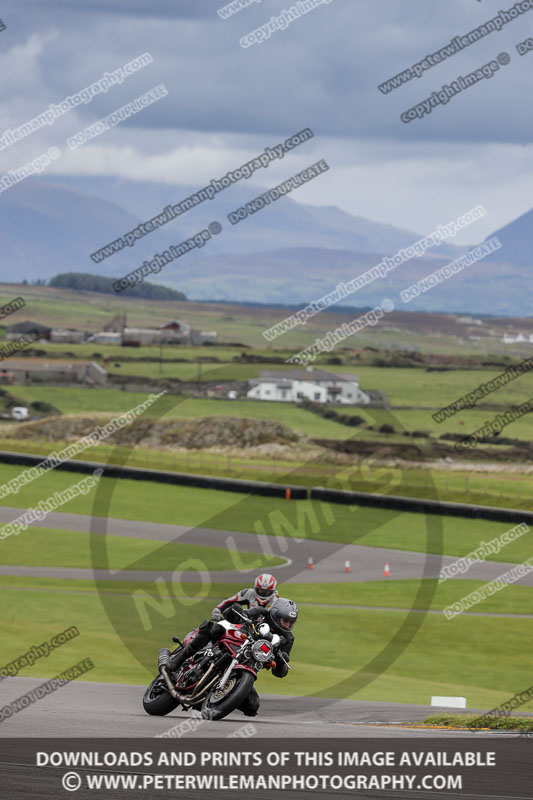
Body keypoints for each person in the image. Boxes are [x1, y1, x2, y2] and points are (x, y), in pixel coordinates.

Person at [162, 597, 298, 716]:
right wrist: (236, 611)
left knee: (252, 706)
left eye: (291, 622)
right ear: (275, 614)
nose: (287, 625)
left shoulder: (288, 638)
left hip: (247, 665)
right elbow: (232, 615)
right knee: (214, 628)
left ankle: (217, 698)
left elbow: (281, 672)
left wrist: (281, 660)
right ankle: (177, 660)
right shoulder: (261, 613)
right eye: (285, 620)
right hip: (232, 644)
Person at [210, 573, 279, 621]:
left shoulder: (276, 601)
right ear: (255, 588)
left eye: (266, 591)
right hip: (246, 625)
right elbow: (229, 601)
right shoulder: (248, 593)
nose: (263, 593)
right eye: (260, 590)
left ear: (273, 590)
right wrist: (217, 610)